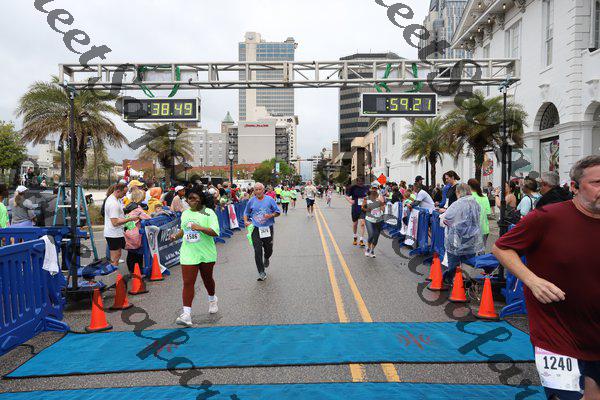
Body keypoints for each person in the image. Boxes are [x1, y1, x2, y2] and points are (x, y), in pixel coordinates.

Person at [492, 156, 600, 400]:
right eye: (597, 183)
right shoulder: (546, 217)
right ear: (574, 187)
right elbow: (501, 248)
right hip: (556, 331)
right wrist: (532, 281)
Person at [171, 186, 221, 326]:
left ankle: (212, 299)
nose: (192, 201)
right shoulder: (185, 213)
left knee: (207, 279)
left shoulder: (208, 213)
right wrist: (176, 236)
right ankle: (186, 315)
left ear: (201, 200)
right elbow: (184, 230)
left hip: (206, 252)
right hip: (189, 252)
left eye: (195, 198)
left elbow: (215, 232)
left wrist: (199, 228)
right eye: (190, 198)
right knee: (188, 282)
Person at [440, 183, 484, 284]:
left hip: (456, 238)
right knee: (468, 261)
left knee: (453, 261)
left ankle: (450, 280)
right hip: (471, 238)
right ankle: (465, 280)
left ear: (458, 192)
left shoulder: (457, 204)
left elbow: (447, 218)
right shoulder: (475, 203)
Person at [243, 182, 281, 281]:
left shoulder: (270, 200)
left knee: (269, 249)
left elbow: (278, 212)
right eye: (256, 189)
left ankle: (267, 257)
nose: (258, 191)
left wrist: (271, 215)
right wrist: (246, 221)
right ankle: (261, 272)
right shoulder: (251, 201)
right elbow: (246, 212)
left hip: (267, 228)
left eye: (260, 189)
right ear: (254, 191)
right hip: (255, 228)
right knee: (257, 250)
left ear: (263, 190)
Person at [103, 182, 139, 268]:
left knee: (117, 255)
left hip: (115, 232)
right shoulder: (113, 203)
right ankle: (114, 274)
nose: (125, 195)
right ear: (118, 191)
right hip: (113, 233)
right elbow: (115, 222)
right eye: (124, 193)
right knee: (115, 257)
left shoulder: (114, 199)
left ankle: (114, 272)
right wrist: (130, 219)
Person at [123, 190, 150, 273]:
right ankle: (137, 270)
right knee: (138, 253)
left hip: (128, 231)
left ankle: (131, 270)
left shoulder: (128, 206)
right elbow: (148, 218)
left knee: (131, 253)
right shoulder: (137, 209)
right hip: (136, 232)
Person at [362, 186, 385, 258]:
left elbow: (383, 208)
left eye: (375, 189)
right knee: (371, 235)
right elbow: (362, 207)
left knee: (376, 237)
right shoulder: (366, 198)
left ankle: (372, 250)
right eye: (373, 189)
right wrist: (366, 210)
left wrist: (382, 208)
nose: (374, 190)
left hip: (378, 220)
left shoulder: (380, 198)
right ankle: (368, 248)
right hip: (369, 219)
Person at [346, 178, 369, 246]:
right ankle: (355, 237)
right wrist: (350, 200)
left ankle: (361, 240)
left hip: (363, 208)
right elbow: (347, 196)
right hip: (355, 208)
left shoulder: (366, 188)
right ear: (357, 182)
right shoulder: (353, 188)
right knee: (355, 224)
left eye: (362, 182)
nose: (360, 183)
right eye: (359, 182)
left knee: (362, 223)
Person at [468, 178, 492, 245]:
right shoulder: (484, 197)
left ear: (469, 186)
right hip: (484, 228)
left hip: (471, 230)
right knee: (482, 249)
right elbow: (488, 213)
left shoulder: (468, 197)